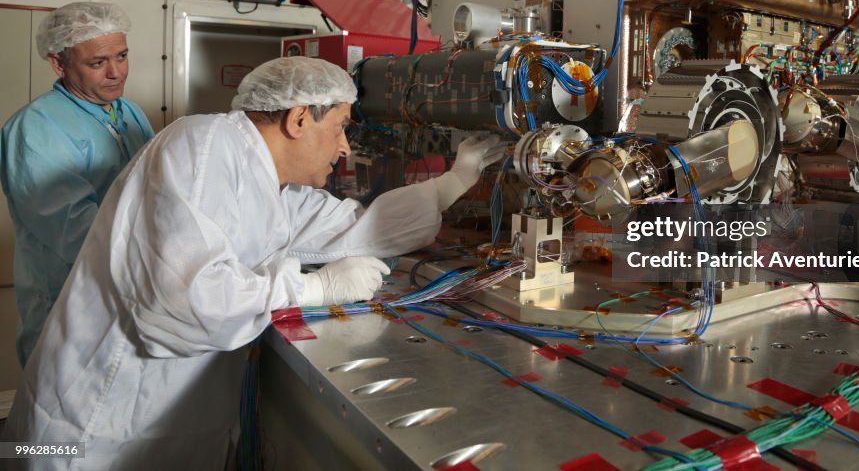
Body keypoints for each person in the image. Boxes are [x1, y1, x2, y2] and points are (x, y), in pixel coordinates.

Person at [2, 56, 505, 469]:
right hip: (94, 426)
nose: (346, 147)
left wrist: (454, 180)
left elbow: (360, 228)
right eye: (341, 128)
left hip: (155, 422)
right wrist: (312, 290)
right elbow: (186, 300)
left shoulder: (269, 183)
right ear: (300, 117)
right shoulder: (202, 147)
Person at [0, 2, 154, 366]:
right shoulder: (37, 128)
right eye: (97, 63)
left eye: (122, 56)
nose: (116, 73)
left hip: (131, 288)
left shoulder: (128, 113)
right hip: (72, 297)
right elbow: (76, 231)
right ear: (59, 64)